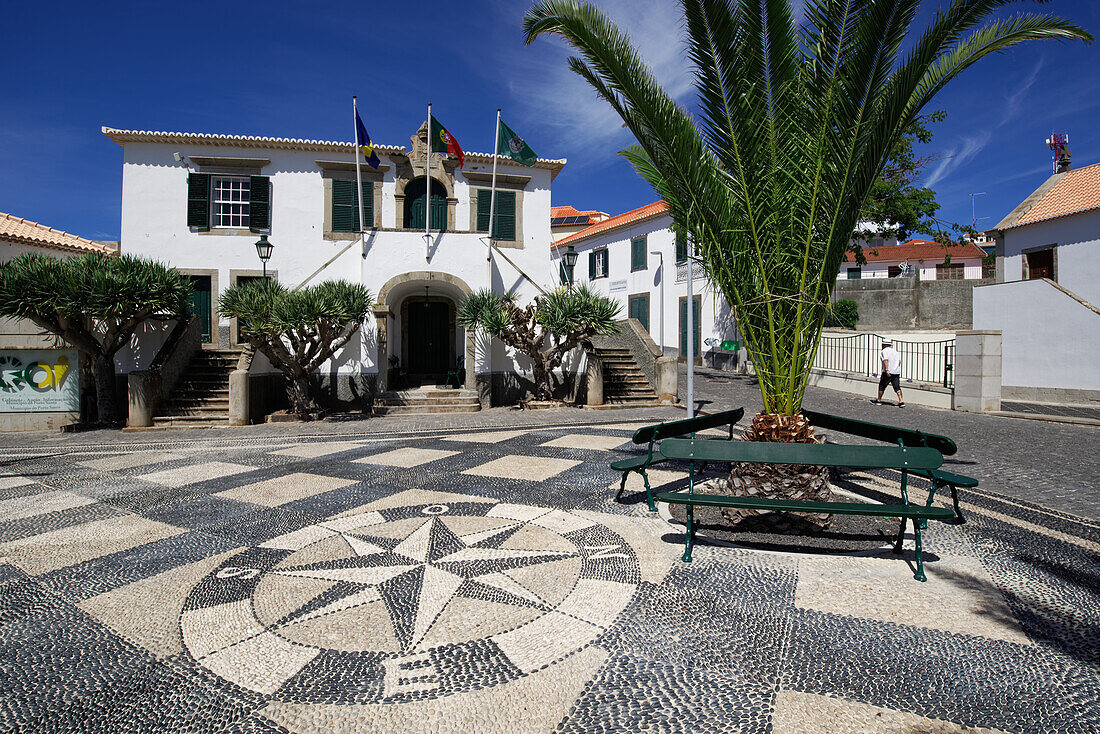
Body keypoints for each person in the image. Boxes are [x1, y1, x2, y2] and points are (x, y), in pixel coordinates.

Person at [872, 338, 904, 407]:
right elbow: (899, 362)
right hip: (896, 372)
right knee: (897, 387)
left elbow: (885, 360)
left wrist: (886, 370)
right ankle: (901, 401)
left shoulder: (884, 351)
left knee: (882, 386)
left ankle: (879, 400)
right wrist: (896, 369)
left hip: (888, 372)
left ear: (885, 345)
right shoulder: (895, 351)